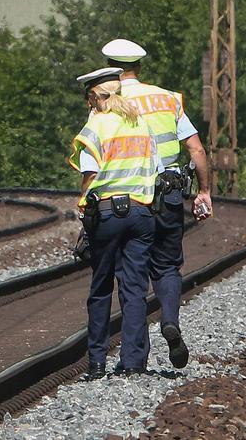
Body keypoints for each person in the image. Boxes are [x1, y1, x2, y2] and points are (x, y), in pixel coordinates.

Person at [101, 38, 213, 370]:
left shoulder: (108, 101)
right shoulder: (168, 98)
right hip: (169, 195)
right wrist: (203, 191)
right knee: (167, 266)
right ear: (139, 66)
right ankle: (170, 320)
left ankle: (134, 358)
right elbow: (196, 149)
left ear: (110, 66)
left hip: (131, 198)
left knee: (132, 276)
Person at [68, 67, 160, 380]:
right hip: (141, 213)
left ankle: (96, 363)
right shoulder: (141, 123)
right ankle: (133, 361)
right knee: (134, 289)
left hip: (106, 213)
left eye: (87, 98)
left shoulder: (97, 124)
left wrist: (83, 206)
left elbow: (90, 174)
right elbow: (155, 167)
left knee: (101, 287)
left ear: (95, 97)